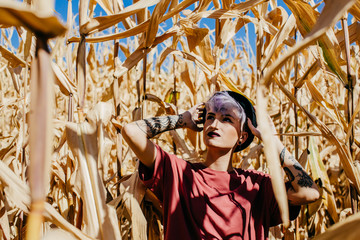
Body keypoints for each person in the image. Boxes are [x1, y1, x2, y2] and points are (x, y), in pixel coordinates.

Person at [122, 90, 320, 239]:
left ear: (242, 137)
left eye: (226, 119)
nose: (214, 125)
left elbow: (309, 193)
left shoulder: (257, 186)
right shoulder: (178, 174)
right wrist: (182, 119)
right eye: (210, 117)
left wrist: (272, 141)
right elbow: (131, 131)